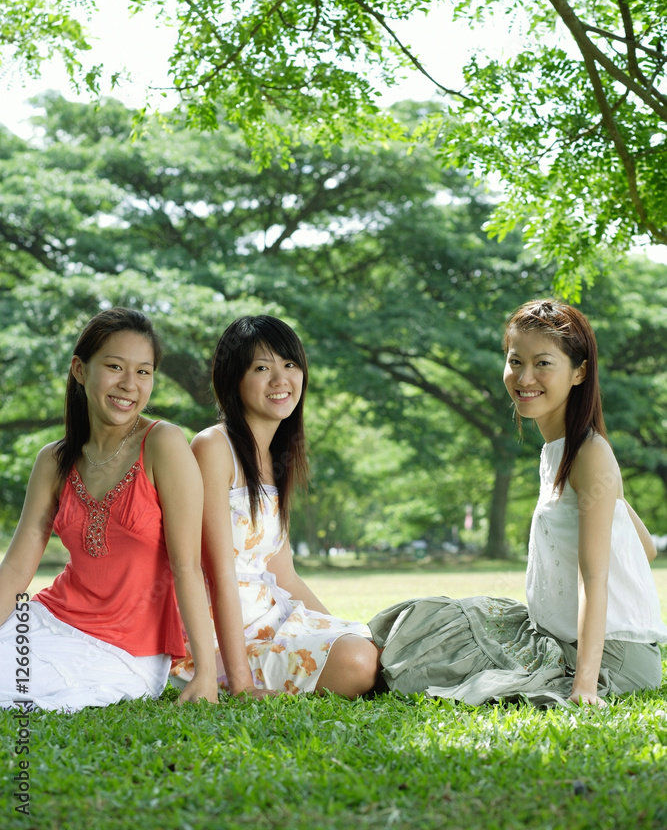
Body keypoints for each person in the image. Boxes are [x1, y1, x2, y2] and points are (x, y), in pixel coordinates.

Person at [369, 299, 666, 706]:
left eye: (543, 363)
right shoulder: (565, 451)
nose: (525, 377)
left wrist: (583, 686)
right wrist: (610, 493)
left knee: (442, 657)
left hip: (609, 659)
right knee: (453, 620)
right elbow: (645, 548)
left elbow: (593, 580)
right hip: (558, 634)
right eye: (515, 361)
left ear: (579, 372)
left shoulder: (589, 453)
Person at [0, 307, 218, 711]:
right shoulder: (54, 460)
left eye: (143, 372)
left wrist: (205, 673)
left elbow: (187, 565)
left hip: (126, 649)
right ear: (80, 370)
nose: (129, 385)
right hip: (51, 620)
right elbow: (15, 568)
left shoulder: (163, 443)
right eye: (115, 366)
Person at [170, 314, 380, 697]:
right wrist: (242, 684)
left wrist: (340, 629)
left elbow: (285, 576)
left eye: (290, 364)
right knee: (358, 664)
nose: (281, 380)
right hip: (220, 638)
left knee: (372, 648)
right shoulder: (214, 448)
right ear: (233, 378)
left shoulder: (275, 457)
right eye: (262, 368)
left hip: (272, 620)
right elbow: (218, 575)